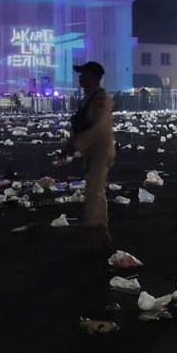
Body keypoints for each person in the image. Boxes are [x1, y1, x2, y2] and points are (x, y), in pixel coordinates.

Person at [57, 61, 115, 249]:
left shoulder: (101, 99)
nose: (80, 77)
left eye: (84, 74)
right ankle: (100, 232)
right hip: (92, 151)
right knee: (96, 190)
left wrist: (74, 146)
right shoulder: (88, 98)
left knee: (94, 191)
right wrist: (70, 146)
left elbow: (97, 128)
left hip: (100, 150)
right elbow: (80, 127)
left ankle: (94, 231)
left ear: (94, 77)